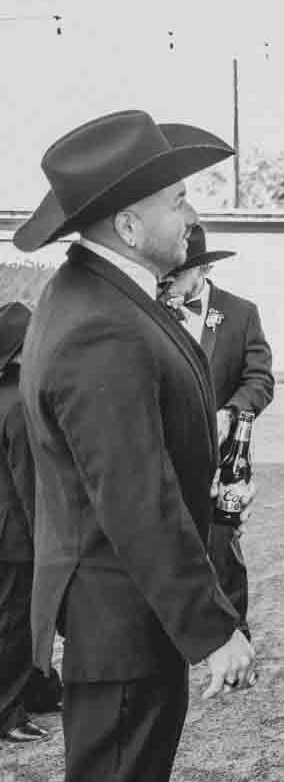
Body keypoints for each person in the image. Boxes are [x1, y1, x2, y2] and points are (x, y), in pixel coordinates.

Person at [15, 111, 256, 781]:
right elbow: (136, 499)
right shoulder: (102, 325)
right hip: (120, 611)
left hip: (123, 604)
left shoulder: (100, 295)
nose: (191, 213)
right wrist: (213, 629)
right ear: (127, 225)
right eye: (177, 200)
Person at [160, 223, 275, 641]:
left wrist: (232, 412)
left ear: (202, 269)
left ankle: (233, 631)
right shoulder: (151, 311)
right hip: (167, 453)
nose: (167, 282)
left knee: (222, 545)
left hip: (227, 456)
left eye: (177, 274)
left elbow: (260, 379)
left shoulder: (241, 313)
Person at [0, 302, 54, 744]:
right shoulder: (18, 402)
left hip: (6, 530)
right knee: (15, 622)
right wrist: (45, 538)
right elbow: (27, 479)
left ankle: (35, 690)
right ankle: (8, 712)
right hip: (13, 535)